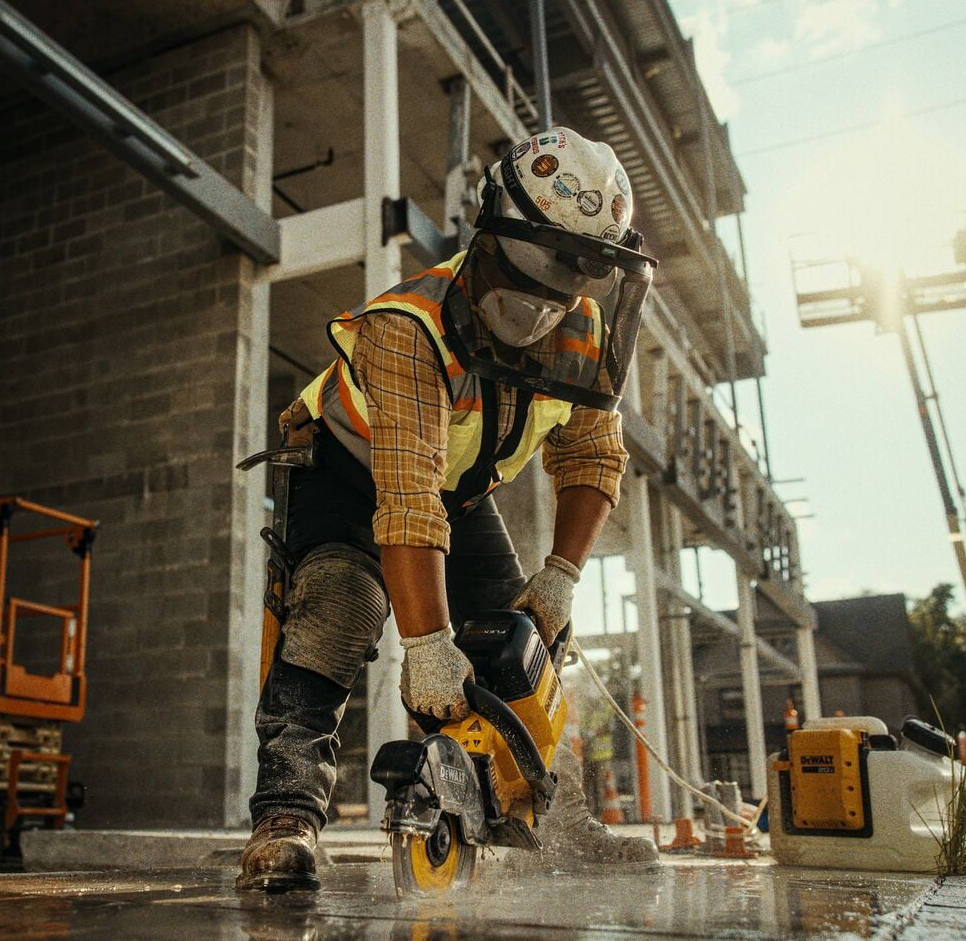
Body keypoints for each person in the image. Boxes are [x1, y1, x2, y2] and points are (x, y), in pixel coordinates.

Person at [238, 128, 659, 892]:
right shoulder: (409, 326)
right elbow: (406, 497)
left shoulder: (585, 335)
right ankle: (286, 819)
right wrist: (427, 643)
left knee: (520, 647)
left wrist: (561, 575)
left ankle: (560, 822)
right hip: (346, 469)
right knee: (340, 608)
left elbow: (592, 458)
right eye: (534, 266)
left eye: (566, 277)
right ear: (493, 230)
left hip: (456, 490)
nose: (539, 303)